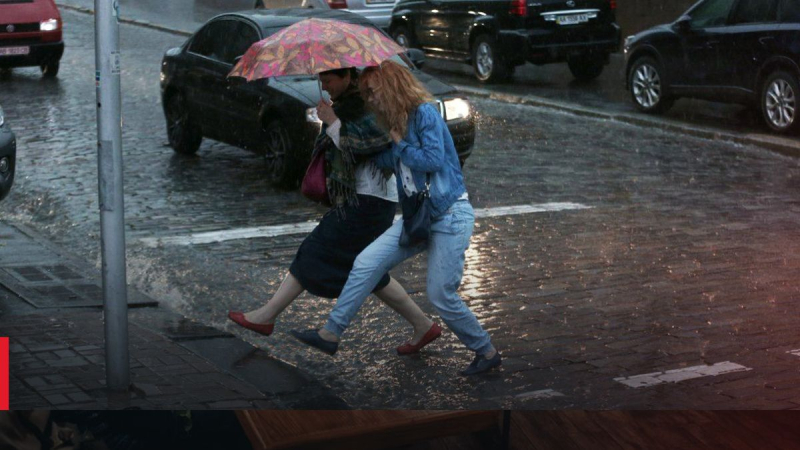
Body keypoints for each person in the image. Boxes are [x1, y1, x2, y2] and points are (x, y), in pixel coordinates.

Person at [291, 61, 501, 376]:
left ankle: (486, 351)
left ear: (392, 87)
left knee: (440, 295)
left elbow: (432, 159)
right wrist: (339, 132)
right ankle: (330, 333)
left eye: (373, 93)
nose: (371, 100)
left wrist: (398, 143)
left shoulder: (425, 114)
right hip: (418, 216)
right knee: (365, 263)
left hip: (449, 215)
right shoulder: (395, 123)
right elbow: (385, 160)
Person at [228, 67, 440, 355]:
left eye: (328, 80)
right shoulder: (344, 106)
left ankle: (266, 316)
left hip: (369, 199)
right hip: (364, 199)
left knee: (315, 250)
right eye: (321, 81)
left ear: (347, 78)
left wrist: (334, 122)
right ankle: (423, 325)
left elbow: (367, 146)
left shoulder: (368, 105)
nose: (325, 87)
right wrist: (331, 120)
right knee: (372, 272)